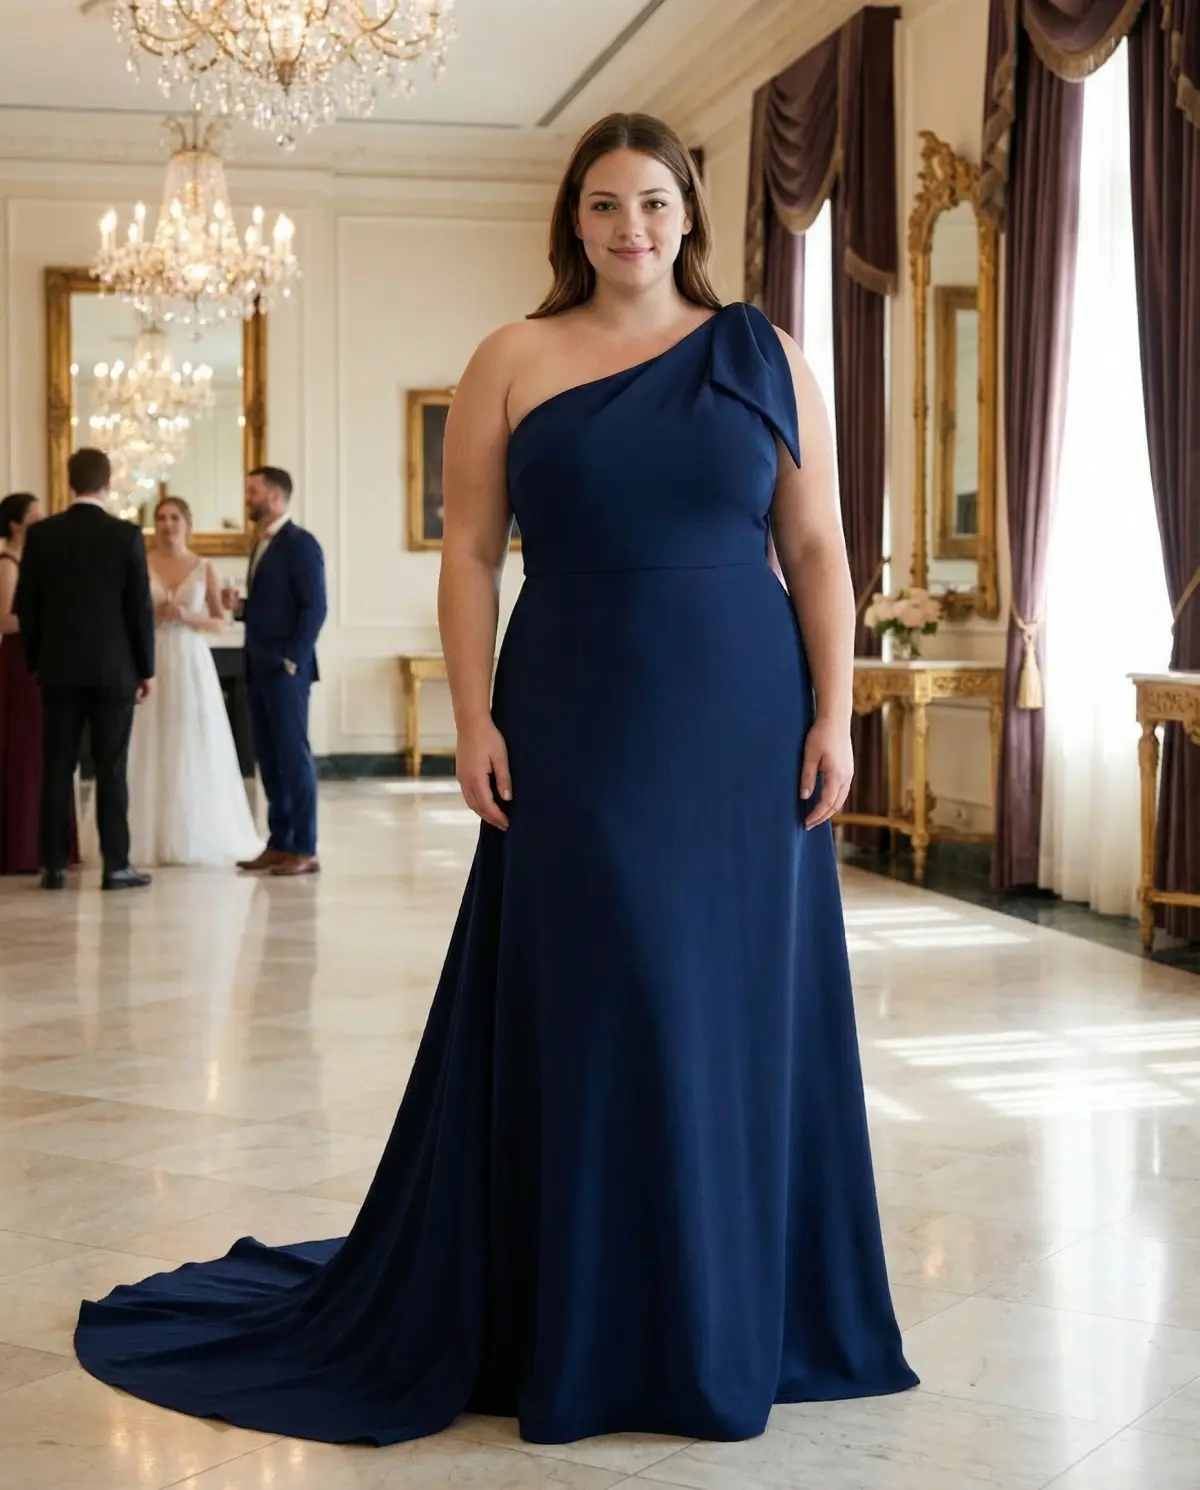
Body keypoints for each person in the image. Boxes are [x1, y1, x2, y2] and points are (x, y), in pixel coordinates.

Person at [73, 114, 917, 1442]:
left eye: (652, 202)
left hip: (743, 719)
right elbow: (468, 553)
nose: (629, 228)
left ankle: (728, 1301)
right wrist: (474, 718)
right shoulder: (512, 356)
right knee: (598, 989)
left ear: (689, 211)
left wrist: (840, 715)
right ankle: (578, 1311)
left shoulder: (768, 353)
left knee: (722, 1001)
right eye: (602, 205)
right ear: (570, 221)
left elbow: (816, 549)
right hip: (575, 705)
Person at [80, 496, 262, 867]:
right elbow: (125, 618)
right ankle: (143, 834)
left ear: (188, 523)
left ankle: (194, 831)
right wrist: (157, 618)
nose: (167, 524)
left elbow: (220, 621)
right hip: (152, 658)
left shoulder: (203, 566)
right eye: (161, 518)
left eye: (174, 517)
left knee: (191, 739)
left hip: (191, 661)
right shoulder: (140, 564)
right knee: (147, 741)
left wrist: (187, 617)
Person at [15, 449, 153, 891]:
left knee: (57, 767)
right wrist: (145, 668)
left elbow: (29, 610)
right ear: (106, 482)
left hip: (57, 670)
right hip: (114, 671)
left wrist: (36, 661)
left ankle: (53, 865)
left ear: (69, 482)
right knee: (111, 767)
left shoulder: (43, 536)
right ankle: (116, 866)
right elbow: (139, 611)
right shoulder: (125, 535)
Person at [220, 466, 326, 878]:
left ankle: (304, 847)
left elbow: (314, 608)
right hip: (257, 666)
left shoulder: (301, 544)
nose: (248, 497)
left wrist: (291, 660)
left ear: (277, 496)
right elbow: (272, 607)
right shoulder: (260, 544)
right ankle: (279, 842)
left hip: (285, 671)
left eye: (254, 491)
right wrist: (241, 607)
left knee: (293, 757)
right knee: (269, 757)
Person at [0, 492, 79, 873]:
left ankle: (49, 845)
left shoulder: (35, 561)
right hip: (19, 663)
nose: (43, 520)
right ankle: (24, 848)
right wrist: (50, 618)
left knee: (45, 751)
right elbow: (5, 620)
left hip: (38, 660)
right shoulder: (8, 563)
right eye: (35, 516)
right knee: (27, 753)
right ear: (16, 524)